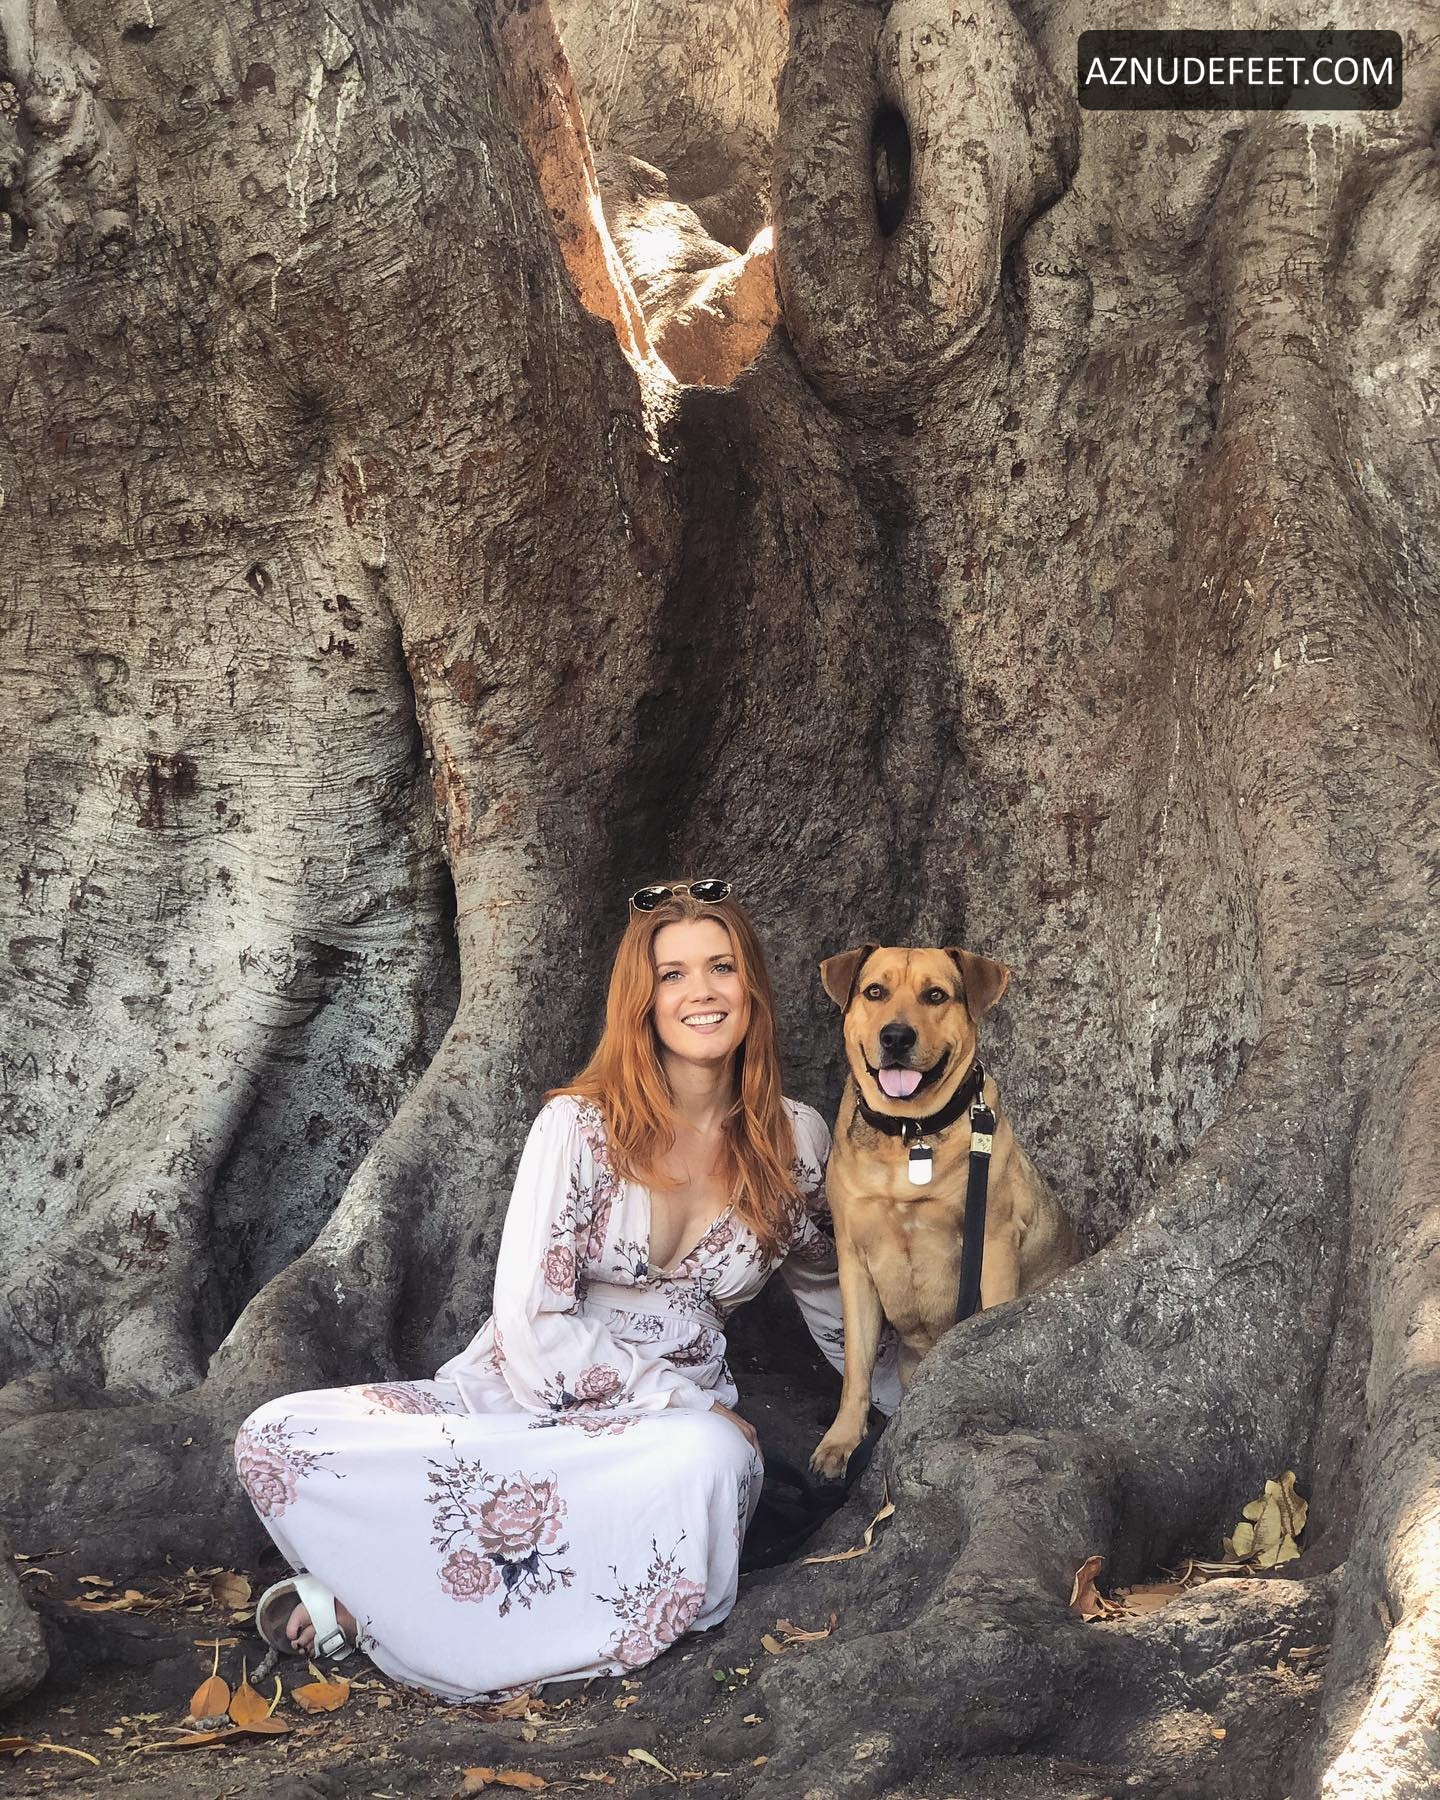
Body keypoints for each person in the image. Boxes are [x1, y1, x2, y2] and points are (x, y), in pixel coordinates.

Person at [234, 880, 898, 1701]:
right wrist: (675, 1397)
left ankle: (377, 1597)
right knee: (277, 1434)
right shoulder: (580, 1125)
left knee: (713, 1459)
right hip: (526, 1398)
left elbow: (835, 1291)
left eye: (721, 967)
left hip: (663, 1443)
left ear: (751, 986)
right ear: (642, 1000)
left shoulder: (794, 1138)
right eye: (673, 974)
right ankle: (384, 1592)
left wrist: (910, 1397)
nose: (701, 992)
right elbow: (530, 1317)